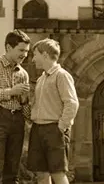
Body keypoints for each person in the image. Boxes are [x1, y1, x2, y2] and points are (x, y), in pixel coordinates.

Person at [0, 30, 32, 184]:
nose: (24, 54)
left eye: (27, 51)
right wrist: (10, 92)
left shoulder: (23, 73)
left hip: (17, 121)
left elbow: (25, 107)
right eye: (21, 50)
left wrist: (24, 102)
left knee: (13, 172)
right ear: (9, 48)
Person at [27, 38, 79, 184]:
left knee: (58, 174)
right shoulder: (41, 79)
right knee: (41, 175)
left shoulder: (62, 75)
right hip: (38, 129)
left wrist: (61, 127)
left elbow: (72, 103)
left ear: (44, 55)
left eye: (35, 54)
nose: (33, 59)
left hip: (54, 130)